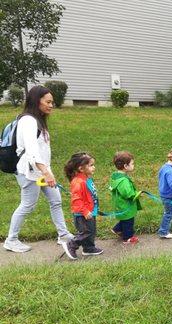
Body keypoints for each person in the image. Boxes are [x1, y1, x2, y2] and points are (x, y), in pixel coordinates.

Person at [4, 85, 73, 253]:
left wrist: (47, 171)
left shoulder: (38, 120)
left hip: (41, 171)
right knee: (28, 205)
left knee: (56, 200)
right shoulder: (28, 121)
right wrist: (46, 173)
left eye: (52, 102)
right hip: (29, 172)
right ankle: (11, 240)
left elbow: (41, 151)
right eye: (48, 102)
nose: (51, 105)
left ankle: (63, 234)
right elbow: (32, 151)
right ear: (37, 101)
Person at [61, 153, 103, 260]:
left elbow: (90, 196)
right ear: (81, 168)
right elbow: (76, 200)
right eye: (91, 165)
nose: (94, 167)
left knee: (91, 231)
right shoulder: (78, 182)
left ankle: (88, 248)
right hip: (82, 214)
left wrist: (94, 209)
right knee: (86, 232)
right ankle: (71, 244)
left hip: (90, 211)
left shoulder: (86, 179)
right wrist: (85, 211)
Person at [109, 151, 142, 244]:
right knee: (128, 221)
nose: (133, 165)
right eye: (132, 163)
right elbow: (128, 194)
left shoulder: (115, 177)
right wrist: (137, 193)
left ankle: (117, 229)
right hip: (126, 206)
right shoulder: (123, 181)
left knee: (125, 220)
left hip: (120, 204)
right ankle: (127, 238)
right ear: (125, 166)